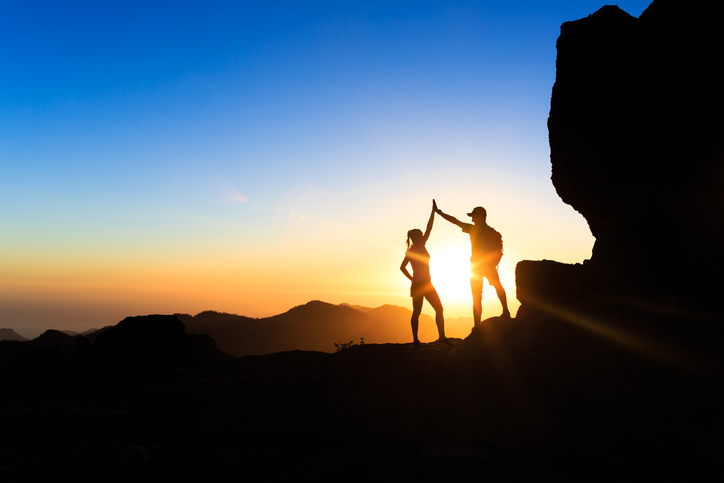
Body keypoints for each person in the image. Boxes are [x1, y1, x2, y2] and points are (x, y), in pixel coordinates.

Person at [435, 202, 510, 329]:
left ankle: (477, 327)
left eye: (473, 216)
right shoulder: (493, 232)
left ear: (480, 216)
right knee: (498, 286)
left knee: (476, 297)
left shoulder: (474, 229)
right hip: (490, 266)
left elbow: (455, 221)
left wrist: (440, 213)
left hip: (476, 267)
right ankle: (506, 311)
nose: (472, 219)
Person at [400, 200, 449, 346]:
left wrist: (412, 279)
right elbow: (429, 228)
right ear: (416, 237)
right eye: (418, 233)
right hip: (424, 283)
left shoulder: (413, 249)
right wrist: (433, 212)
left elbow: (402, 268)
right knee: (435, 309)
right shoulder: (418, 246)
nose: (421, 233)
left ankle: (418, 340)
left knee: (419, 312)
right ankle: (440, 338)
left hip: (420, 284)